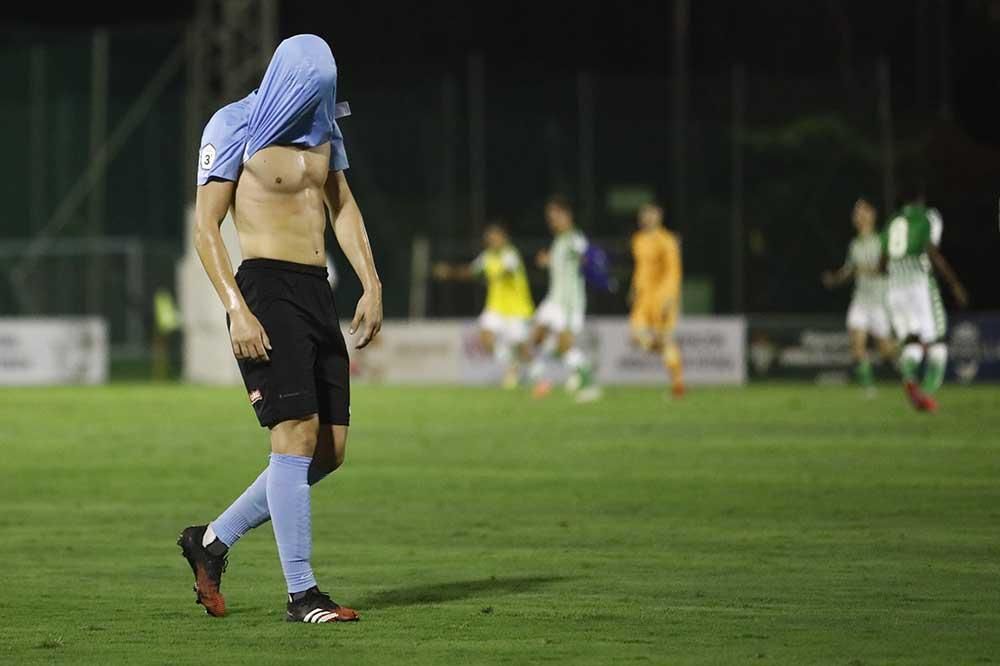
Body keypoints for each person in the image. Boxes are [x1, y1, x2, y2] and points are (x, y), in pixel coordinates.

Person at [177, 35, 382, 624]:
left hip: (318, 292)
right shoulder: (234, 123)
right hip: (266, 290)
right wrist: (238, 309)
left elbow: (343, 206)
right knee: (294, 436)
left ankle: (210, 541)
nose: (322, 98)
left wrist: (371, 282)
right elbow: (206, 227)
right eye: (313, 87)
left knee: (329, 451)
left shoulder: (323, 130)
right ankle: (302, 595)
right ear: (289, 80)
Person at [881, 195, 968, 411]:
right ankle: (925, 394)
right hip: (917, 285)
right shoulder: (927, 217)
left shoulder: (892, 220)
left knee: (912, 342)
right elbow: (932, 251)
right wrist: (954, 283)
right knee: (937, 341)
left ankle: (910, 381)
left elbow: (882, 261)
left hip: (894, 287)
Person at [433, 223, 534, 388]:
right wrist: (449, 272)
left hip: (517, 310)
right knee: (485, 337)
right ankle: (511, 365)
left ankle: (536, 374)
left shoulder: (510, 254)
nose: (492, 241)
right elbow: (471, 272)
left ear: (503, 238)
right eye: (489, 238)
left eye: (495, 237)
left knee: (521, 346)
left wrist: (491, 274)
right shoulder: (487, 257)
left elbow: (508, 271)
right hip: (495, 307)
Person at [529, 196, 600, 402]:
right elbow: (563, 264)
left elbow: (588, 257)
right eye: (549, 218)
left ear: (566, 216)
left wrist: (589, 263)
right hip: (553, 299)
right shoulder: (559, 241)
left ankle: (588, 383)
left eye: (555, 217)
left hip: (569, 302)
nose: (551, 221)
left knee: (565, 347)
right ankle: (548, 377)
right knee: (536, 337)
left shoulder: (574, 238)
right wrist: (547, 261)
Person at [822, 198, 896, 392]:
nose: (857, 215)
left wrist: (862, 269)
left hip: (880, 302)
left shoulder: (882, 240)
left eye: (862, 211)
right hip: (860, 301)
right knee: (857, 348)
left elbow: (887, 269)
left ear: (872, 215)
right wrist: (835, 278)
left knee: (886, 352)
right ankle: (869, 389)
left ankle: (909, 350)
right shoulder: (854, 244)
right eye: (856, 212)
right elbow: (849, 270)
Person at [629, 203, 685, 398]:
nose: (646, 218)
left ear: (659, 216)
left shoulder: (667, 240)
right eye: (644, 215)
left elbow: (673, 271)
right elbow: (640, 268)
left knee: (665, 338)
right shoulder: (637, 239)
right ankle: (670, 354)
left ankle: (677, 385)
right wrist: (634, 289)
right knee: (637, 337)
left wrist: (670, 297)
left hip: (663, 297)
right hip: (644, 298)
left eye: (651, 215)